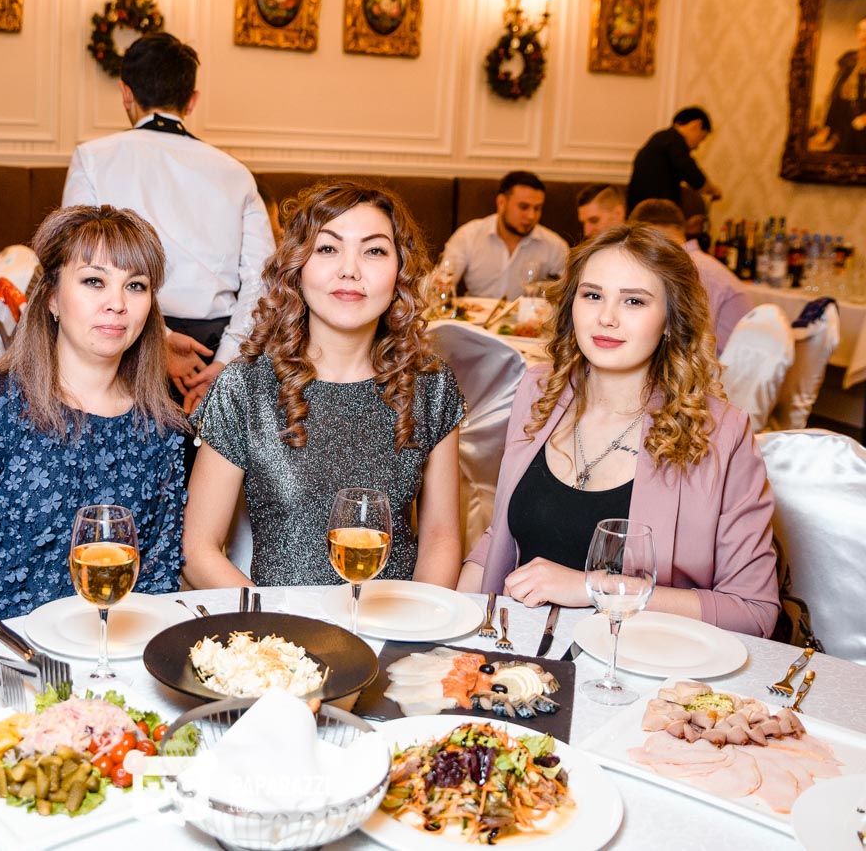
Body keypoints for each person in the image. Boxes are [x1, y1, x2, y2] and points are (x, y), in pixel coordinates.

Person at [459, 225, 779, 638]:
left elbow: (753, 612)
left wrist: (593, 588)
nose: (606, 317)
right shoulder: (540, 390)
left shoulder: (720, 434)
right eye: (592, 295)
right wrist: (451, 621)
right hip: (518, 650)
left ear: (671, 319)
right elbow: (502, 534)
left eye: (633, 301)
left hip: (634, 661)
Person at [183, 181, 466, 589]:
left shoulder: (431, 386)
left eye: (374, 251)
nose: (350, 270)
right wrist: (270, 621)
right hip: (278, 623)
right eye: (328, 248)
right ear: (297, 267)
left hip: (393, 620)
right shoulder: (245, 387)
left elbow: (441, 538)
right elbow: (198, 550)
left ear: (400, 272)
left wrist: (417, 621)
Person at [0, 205, 186, 626]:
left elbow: (157, 583)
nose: (117, 304)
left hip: (112, 652)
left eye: (135, 286)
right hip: (2, 651)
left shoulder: (162, 429)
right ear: (52, 297)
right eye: (94, 281)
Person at [62, 32, 275, 414]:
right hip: (214, 345)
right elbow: (264, 279)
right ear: (191, 100)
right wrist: (226, 360)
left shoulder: (92, 159)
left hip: (121, 342)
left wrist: (158, 339)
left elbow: (78, 264)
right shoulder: (236, 173)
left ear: (126, 93)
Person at [627, 199, 753, 355]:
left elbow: (686, 343)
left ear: (643, 234)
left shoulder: (688, 270)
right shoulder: (701, 263)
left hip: (722, 366)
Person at [441, 171, 568, 299]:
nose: (531, 216)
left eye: (537, 208)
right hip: (474, 311)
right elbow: (444, 281)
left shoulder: (554, 246)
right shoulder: (468, 236)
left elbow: (569, 291)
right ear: (501, 202)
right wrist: (441, 286)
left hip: (527, 312)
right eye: (524, 207)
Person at [627, 107, 723, 211]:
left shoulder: (662, 138)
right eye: (701, 138)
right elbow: (693, 175)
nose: (697, 146)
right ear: (697, 124)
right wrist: (713, 190)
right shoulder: (675, 140)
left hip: (641, 210)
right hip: (655, 213)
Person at [810, 16, 866, 155]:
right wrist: (828, 126)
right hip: (845, 121)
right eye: (861, 30)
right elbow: (836, 95)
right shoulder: (849, 59)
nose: (863, 35)